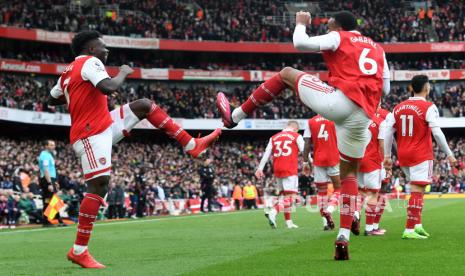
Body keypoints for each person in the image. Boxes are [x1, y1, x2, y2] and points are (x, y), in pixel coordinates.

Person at [216, 11, 389, 260]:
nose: (326, 26)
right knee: (349, 174)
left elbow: (300, 43)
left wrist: (300, 24)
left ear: (339, 26)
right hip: (364, 115)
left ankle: (234, 117)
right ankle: (343, 235)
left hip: (339, 102)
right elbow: (387, 87)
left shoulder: (339, 37)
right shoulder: (379, 50)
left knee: (286, 73)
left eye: (329, 24)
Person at [47, 30, 221, 268]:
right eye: (102, 46)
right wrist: (123, 73)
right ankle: (79, 250)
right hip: (90, 133)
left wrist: (73, 93)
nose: (106, 50)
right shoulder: (91, 62)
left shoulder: (67, 72)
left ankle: (191, 144)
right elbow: (108, 87)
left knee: (144, 106)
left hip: (102, 124)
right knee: (98, 186)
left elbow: (51, 98)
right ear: (90, 50)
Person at [384, 75, 456, 239]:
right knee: (417, 191)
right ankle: (409, 229)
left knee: (419, 190)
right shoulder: (429, 107)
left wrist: (387, 155)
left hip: (403, 155)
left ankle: (417, 225)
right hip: (420, 154)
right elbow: (436, 132)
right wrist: (450, 155)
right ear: (426, 88)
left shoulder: (398, 107)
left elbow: (388, 131)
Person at [255, 121, 304, 229]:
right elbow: (305, 152)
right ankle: (273, 211)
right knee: (292, 197)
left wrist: (260, 169)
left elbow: (266, 153)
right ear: (295, 129)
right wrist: (309, 163)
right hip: (290, 169)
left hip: (277, 170)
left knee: (285, 197)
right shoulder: (297, 136)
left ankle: (288, 222)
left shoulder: (274, 137)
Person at [303, 114, 341, 231]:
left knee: (321, 193)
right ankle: (329, 210)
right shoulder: (335, 117)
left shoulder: (310, 121)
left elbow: (307, 143)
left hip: (318, 159)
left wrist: (305, 161)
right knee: (340, 189)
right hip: (333, 157)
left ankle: (325, 223)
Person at [356, 116, 385, 236]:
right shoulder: (380, 122)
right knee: (373, 194)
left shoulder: (356, 118)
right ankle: (369, 229)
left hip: (357, 160)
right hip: (372, 161)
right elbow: (382, 144)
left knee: (360, 192)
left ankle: (356, 213)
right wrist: (384, 161)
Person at [38, 140, 65, 227]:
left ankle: (47, 220)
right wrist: (49, 183)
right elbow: (46, 170)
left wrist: (55, 181)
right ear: (46, 146)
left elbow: (51, 170)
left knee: (50, 200)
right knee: (52, 200)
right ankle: (57, 220)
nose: (54, 146)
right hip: (47, 180)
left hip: (51, 179)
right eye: (51, 145)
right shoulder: (44, 155)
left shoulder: (49, 155)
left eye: (54, 145)